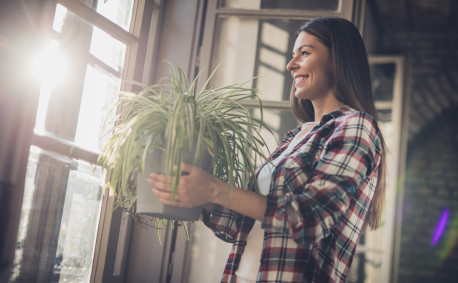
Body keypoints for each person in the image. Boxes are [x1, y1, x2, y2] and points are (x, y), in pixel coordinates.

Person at [148, 17, 386, 283]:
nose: (290, 65)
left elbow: (311, 218)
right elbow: (244, 224)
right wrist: (199, 193)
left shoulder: (356, 126)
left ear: (337, 58)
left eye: (304, 53)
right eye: (292, 55)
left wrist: (215, 188)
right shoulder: (295, 138)